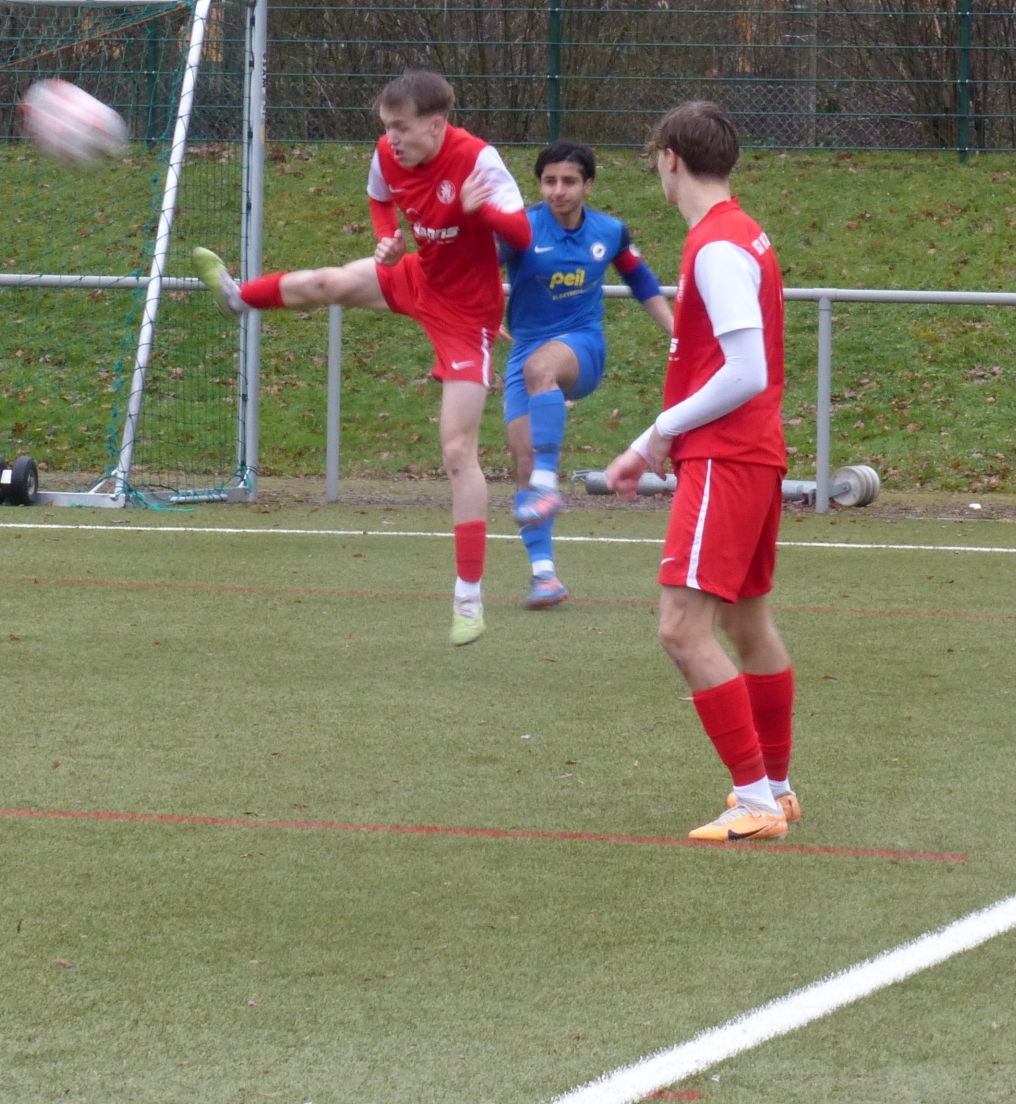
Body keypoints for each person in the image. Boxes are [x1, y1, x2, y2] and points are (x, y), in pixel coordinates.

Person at [192, 71, 529, 646]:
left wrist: (483, 213)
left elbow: (521, 235)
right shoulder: (387, 154)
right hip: (418, 277)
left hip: (468, 315)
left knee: (457, 451)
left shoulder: (479, 161)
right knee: (329, 282)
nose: (392, 138)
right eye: (387, 127)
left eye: (402, 127)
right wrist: (388, 238)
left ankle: (468, 598)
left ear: (436, 125)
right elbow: (379, 197)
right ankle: (237, 297)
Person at [604, 101, 796, 843]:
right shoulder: (741, 233)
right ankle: (775, 790)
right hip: (751, 455)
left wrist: (656, 433)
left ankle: (754, 801)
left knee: (683, 631)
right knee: (748, 624)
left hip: (726, 457)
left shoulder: (716, 245)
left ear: (670, 159)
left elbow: (744, 371)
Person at [500, 141, 672, 608]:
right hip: (526, 354)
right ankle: (545, 577)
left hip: (582, 347)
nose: (558, 190)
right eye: (549, 181)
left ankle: (549, 484)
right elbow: (475, 271)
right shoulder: (520, 229)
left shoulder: (609, 231)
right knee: (522, 465)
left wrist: (677, 332)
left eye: (569, 181)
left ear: (588, 185)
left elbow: (640, 280)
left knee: (541, 370)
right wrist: (479, 313)